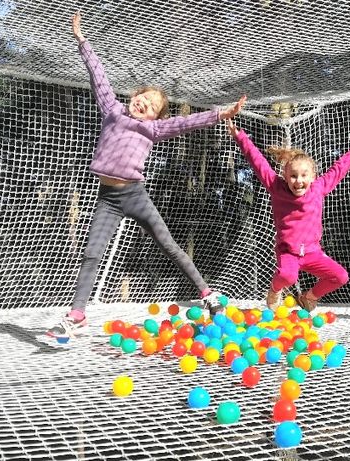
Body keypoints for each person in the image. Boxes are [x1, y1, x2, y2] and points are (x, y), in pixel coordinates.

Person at [47, 13, 246, 339]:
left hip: (135, 196)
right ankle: (77, 314)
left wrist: (221, 114)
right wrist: (83, 41)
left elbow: (185, 123)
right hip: (108, 200)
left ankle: (207, 294)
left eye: (152, 105)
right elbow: (99, 79)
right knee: (91, 252)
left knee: (168, 244)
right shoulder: (111, 110)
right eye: (143, 97)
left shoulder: (152, 129)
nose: (145, 103)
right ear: (133, 97)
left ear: (155, 116)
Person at [226, 119, 350, 312]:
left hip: (313, 253)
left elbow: (339, 168)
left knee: (340, 276)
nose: (298, 181)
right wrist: (240, 137)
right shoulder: (276, 187)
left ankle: (307, 297)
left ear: (313, 176)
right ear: (285, 177)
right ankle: (274, 290)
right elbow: (258, 161)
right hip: (288, 252)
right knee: (288, 276)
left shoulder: (319, 188)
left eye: (304, 175)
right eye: (293, 176)